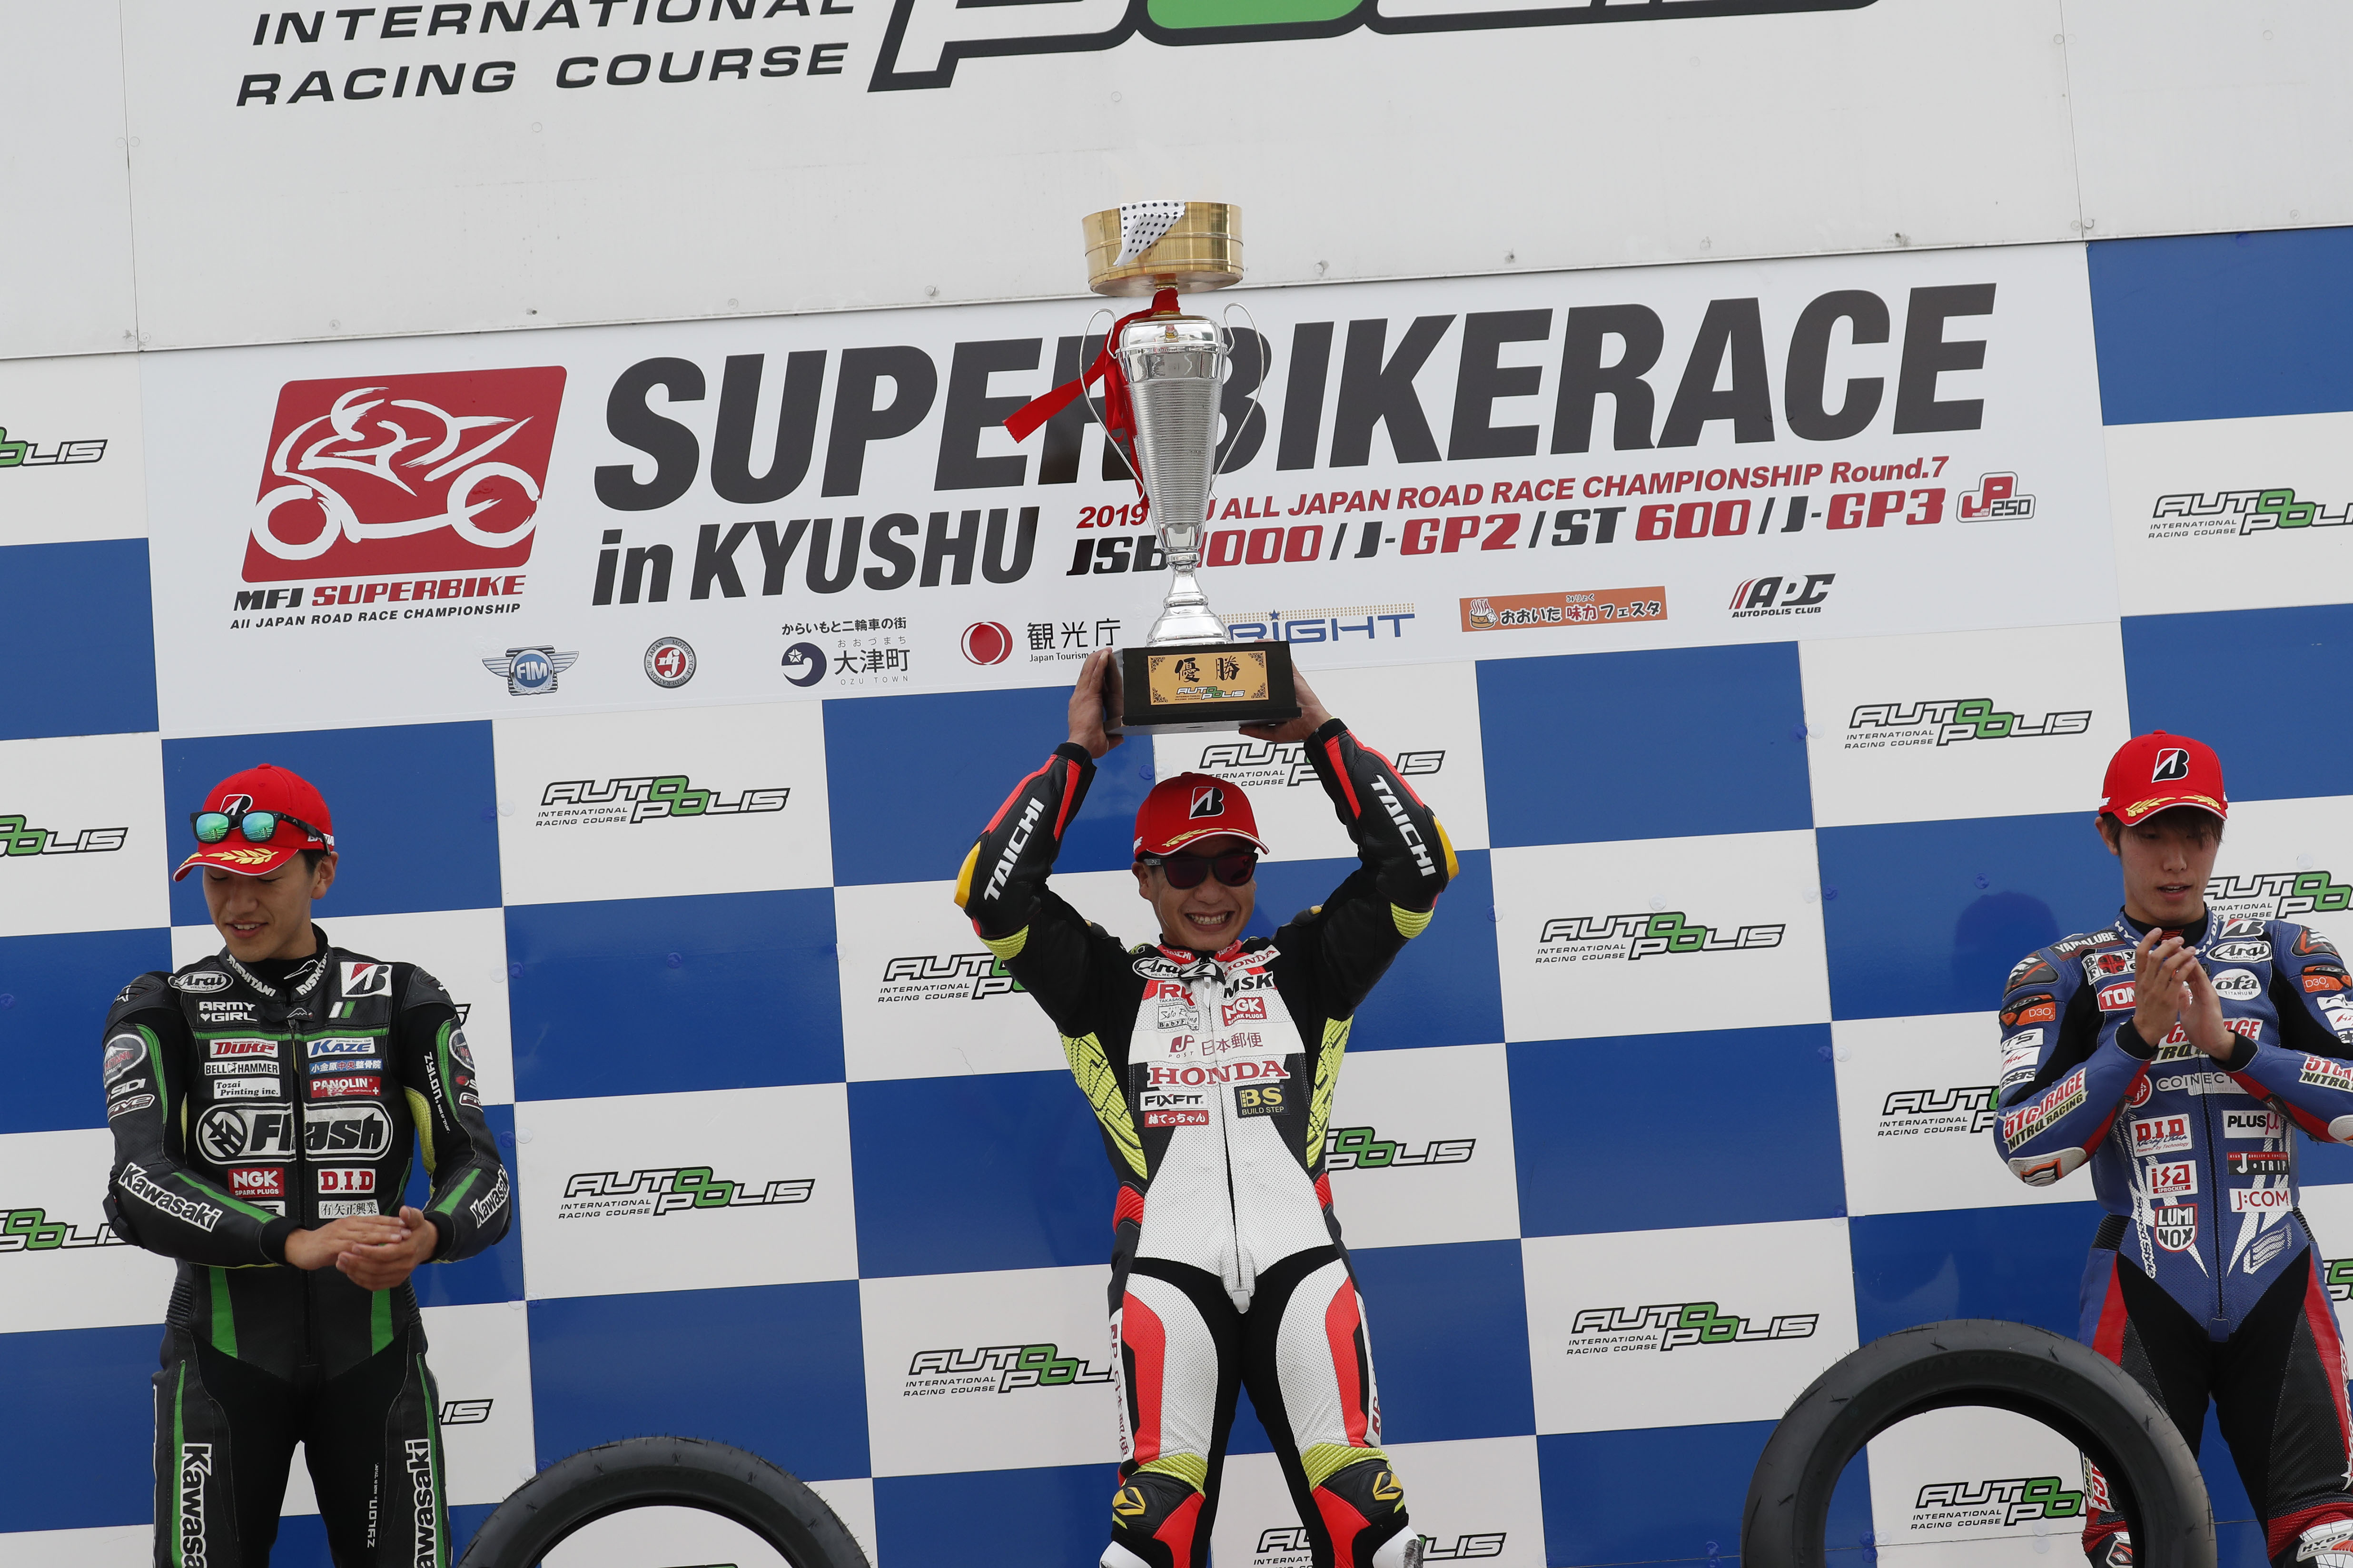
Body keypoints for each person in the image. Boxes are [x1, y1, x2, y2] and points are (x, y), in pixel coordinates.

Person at [956, 649, 1454, 1568]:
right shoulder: (1102, 984)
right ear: (1144, 879)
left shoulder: (1308, 967)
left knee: (1372, 1535)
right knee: (1154, 1543)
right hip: (1166, 1275)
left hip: (1302, 1265)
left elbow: (1417, 867)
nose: (1213, 890)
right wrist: (1077, 757)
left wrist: (1323, 736)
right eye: (1185, 870)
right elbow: (993, 893)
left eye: (1233, 863)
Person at [103, 764, 511, 1568]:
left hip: (375, 1358)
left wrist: (431, 1234)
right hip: (221, 1363)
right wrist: (290, 1241)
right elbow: (138, 1183)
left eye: (264, 879)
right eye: (218, 880)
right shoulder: (162, 1006)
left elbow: (482, 1170)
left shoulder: (403, 997)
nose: (238, 903)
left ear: (322, 874)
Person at [1991, 731, 2353, 1568]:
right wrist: (2136, 1040)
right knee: (2136, 1551)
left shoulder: (2289, 952)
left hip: (2279, 1283)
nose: (2178, 860)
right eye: (2153, 834)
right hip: (2141, 1290)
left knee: (2330, 1546)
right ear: (2109, 833)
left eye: (2197, 834)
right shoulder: (2058, 973)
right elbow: (2026, 1147)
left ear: (2221, 833)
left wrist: (2233, 1048)